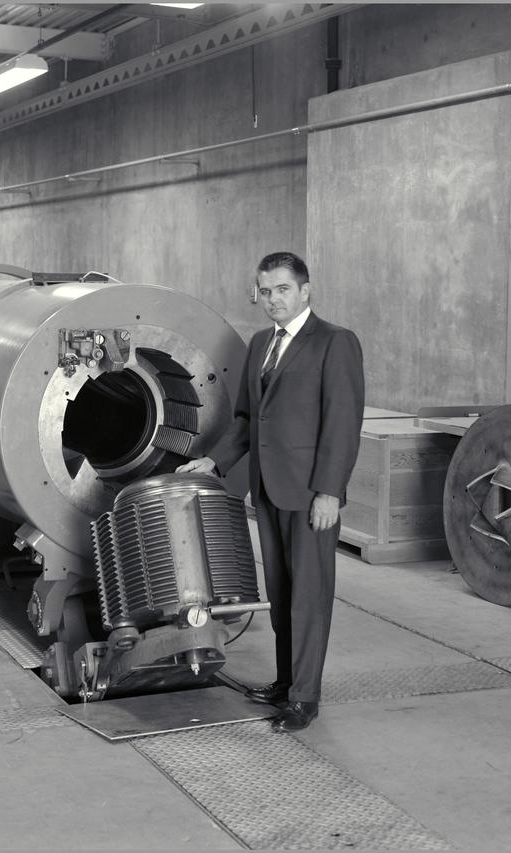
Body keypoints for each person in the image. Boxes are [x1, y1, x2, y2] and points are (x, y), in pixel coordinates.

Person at [178, 251, 364, 732]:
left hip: (308, 495)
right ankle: (285, 683)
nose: (273, 299)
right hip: (267, 490)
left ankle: (304, 698)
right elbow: (246, 421)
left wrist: (329, 492)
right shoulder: (261, 343)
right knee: (281, 596)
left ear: (305, 290)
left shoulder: (335, 343)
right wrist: (215, 460)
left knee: (309, 597)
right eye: (265, 291)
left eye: (282, 289)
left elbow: (342, 425)